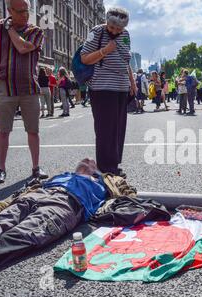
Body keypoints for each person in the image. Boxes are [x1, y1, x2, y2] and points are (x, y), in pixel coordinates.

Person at [0, 158, 137, 280]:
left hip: (65, 204)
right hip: (35, 196)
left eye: (91, 162)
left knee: (17, 237)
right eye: (84, 160)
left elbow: (129, 195)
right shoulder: (60, 176)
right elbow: (16, 196)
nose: (88, 160)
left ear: (97, 170)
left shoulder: (107, 181)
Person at [0, 0, 49, 184]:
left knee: (33, 131)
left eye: (27, 10)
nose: (25, 14)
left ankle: (36, 167)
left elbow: (23, 48)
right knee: (3, 131)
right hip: (4, 87)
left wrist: (9, 29)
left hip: (29, 87)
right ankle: (1, 169)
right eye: (20, 11)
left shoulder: (36, 31)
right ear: (9, 10)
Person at [81, 7, 137, 175]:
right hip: (102, 87)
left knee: (118, 128)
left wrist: (132, 83)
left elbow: (126, 60)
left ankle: (113, 164)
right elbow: (85, 58)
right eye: (112, 27)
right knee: (105, 129)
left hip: (121, 87)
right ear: (107, 22)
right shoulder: (96, 31)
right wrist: (105, 51)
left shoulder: (126, 35)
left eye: (118, 29)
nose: (114, 31)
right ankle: (106, 169)